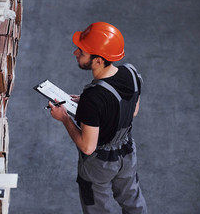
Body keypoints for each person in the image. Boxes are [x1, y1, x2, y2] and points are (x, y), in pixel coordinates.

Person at [48, 22, 148, 214]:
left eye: (82, 52)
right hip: (127, 153)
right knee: (133, 201)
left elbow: (87, 146)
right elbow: (132, 111)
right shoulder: (131, 73)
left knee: (97, 207)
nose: (75, 53)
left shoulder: (93, 97)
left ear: (98, 61)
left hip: (99, 164)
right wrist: (87, 106)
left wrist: (64, 118)